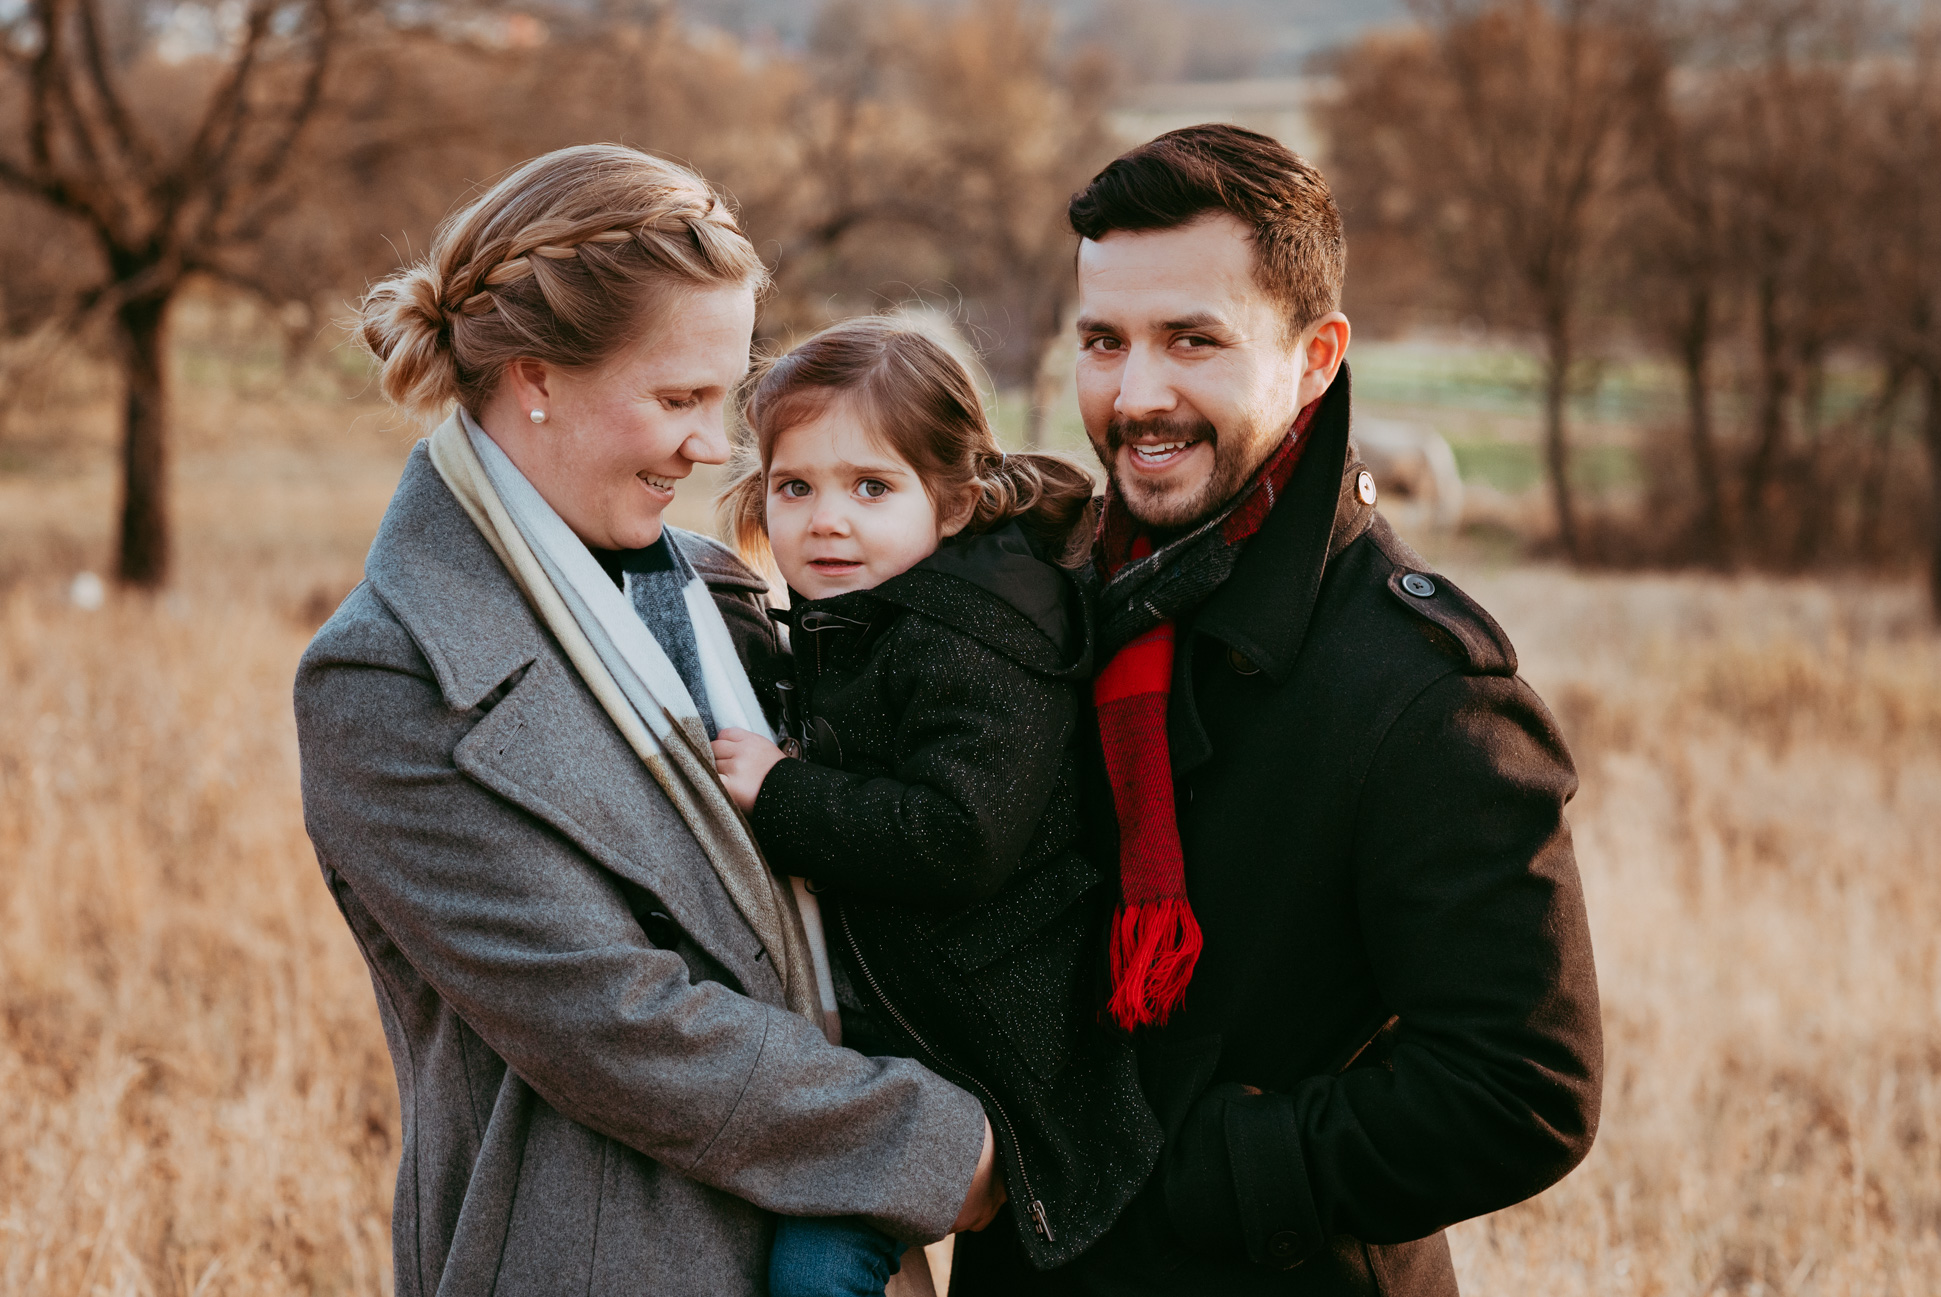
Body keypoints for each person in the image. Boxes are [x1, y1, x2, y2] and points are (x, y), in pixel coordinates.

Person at [293, 145, 1003, 1297]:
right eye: (678, 399)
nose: (717, 445)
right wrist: (938, 1144)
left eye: (724, 399)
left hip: (825, 1240)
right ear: (535, 376)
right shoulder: (387, 676)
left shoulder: (711, 586)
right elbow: (615, 1026)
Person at [950, 124, 1605, 1296]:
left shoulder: (1427, 691)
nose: (1137, 394)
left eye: (1192, 341)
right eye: (1105, 342)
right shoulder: (1038, 599)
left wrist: (1200, 1173)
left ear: (1316, 356)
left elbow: (1525, 1089)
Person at [710, 317, 1164, 1297]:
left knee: (817, 1267)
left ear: (953, 502)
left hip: (993, 1044)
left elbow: (959, 833)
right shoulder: (867, 615)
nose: (827, 519)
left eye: (870, 487)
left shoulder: (974, 639)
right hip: (911, 1030)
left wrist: (784, 792)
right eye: (796, 487)